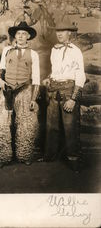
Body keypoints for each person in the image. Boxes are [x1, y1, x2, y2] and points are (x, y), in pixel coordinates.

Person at [0, 21, 40, 168]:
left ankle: (24, 154)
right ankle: (2, 156)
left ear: (28, 37)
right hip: (7, 90)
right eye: (18, 33)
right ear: (15, 36)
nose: (20, 36)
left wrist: (33, 98)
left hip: (24, 90)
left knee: (26, 124)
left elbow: (37, 78)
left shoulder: (33, 54)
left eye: (24, 34)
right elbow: (1, 69)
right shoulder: (7, 50)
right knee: (1, 123)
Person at [42, 16, 86, 172]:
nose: (59, 34)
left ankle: (74, 160)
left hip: (68, 92)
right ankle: (50, 156)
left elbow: (80, 75)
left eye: (63, 31)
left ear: (70, 33)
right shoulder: (54, 49)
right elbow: (56, 71)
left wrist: (73, 99)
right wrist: (48, 78)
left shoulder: (76, 51)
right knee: (51, 125)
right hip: (54, 91)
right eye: (58, 31)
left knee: (70, 127)